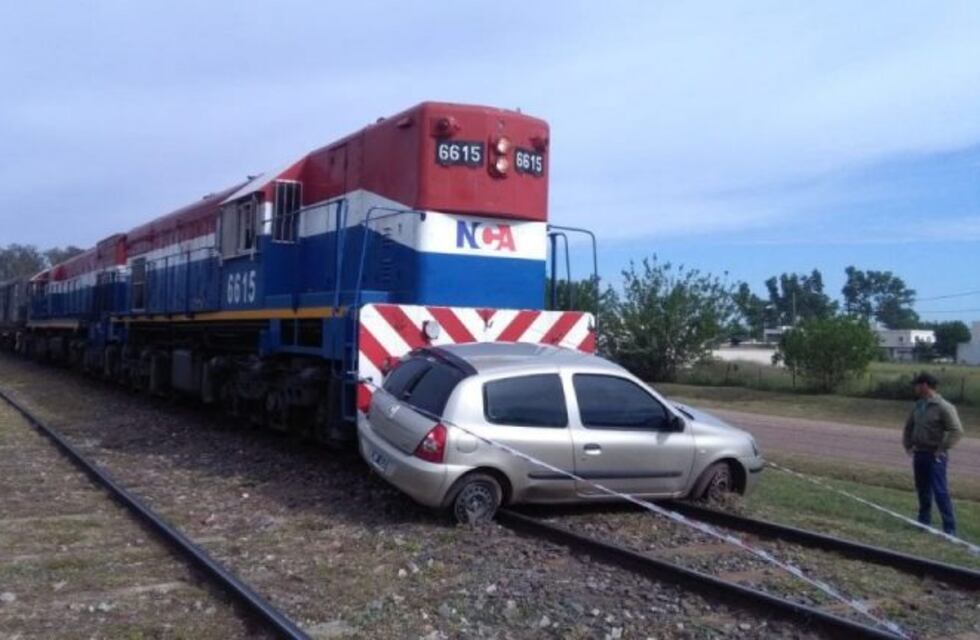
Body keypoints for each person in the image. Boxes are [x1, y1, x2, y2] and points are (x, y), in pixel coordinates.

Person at [903, 371, 964, 535]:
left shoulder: (943, 406)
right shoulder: (918, 405)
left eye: (917, 385)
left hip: (934, 456)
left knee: (940, 491)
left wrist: (942, 449)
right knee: (922, 490)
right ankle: (924, 523)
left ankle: (949, 529)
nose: (915, 388)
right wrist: (908, 445)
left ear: (925, 385)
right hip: (919, 454)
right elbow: (909, 427)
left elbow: (957, 431)